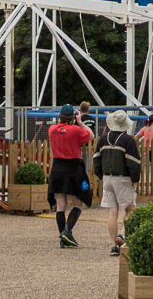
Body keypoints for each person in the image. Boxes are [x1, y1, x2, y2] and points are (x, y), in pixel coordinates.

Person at [94, 110, 142, 257]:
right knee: (130, 209)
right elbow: (134, 163)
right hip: (123, 178)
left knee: (112, 212)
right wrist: (135, 179)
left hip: (107, 178)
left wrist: (101, 175)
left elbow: (96, 161)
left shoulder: (103, 139)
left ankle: (113, 246)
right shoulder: (128, 140)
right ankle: (122, 235)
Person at [47, 104, 93, 249]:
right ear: (73, 117)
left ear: (60, 116)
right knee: (78, 203)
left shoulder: (52, 129)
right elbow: (91, 136)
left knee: (60, 204)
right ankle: (67, 232)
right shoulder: (75, 130)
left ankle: (63, 237)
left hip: (57, 168)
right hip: (72, 168)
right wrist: (80, 122)